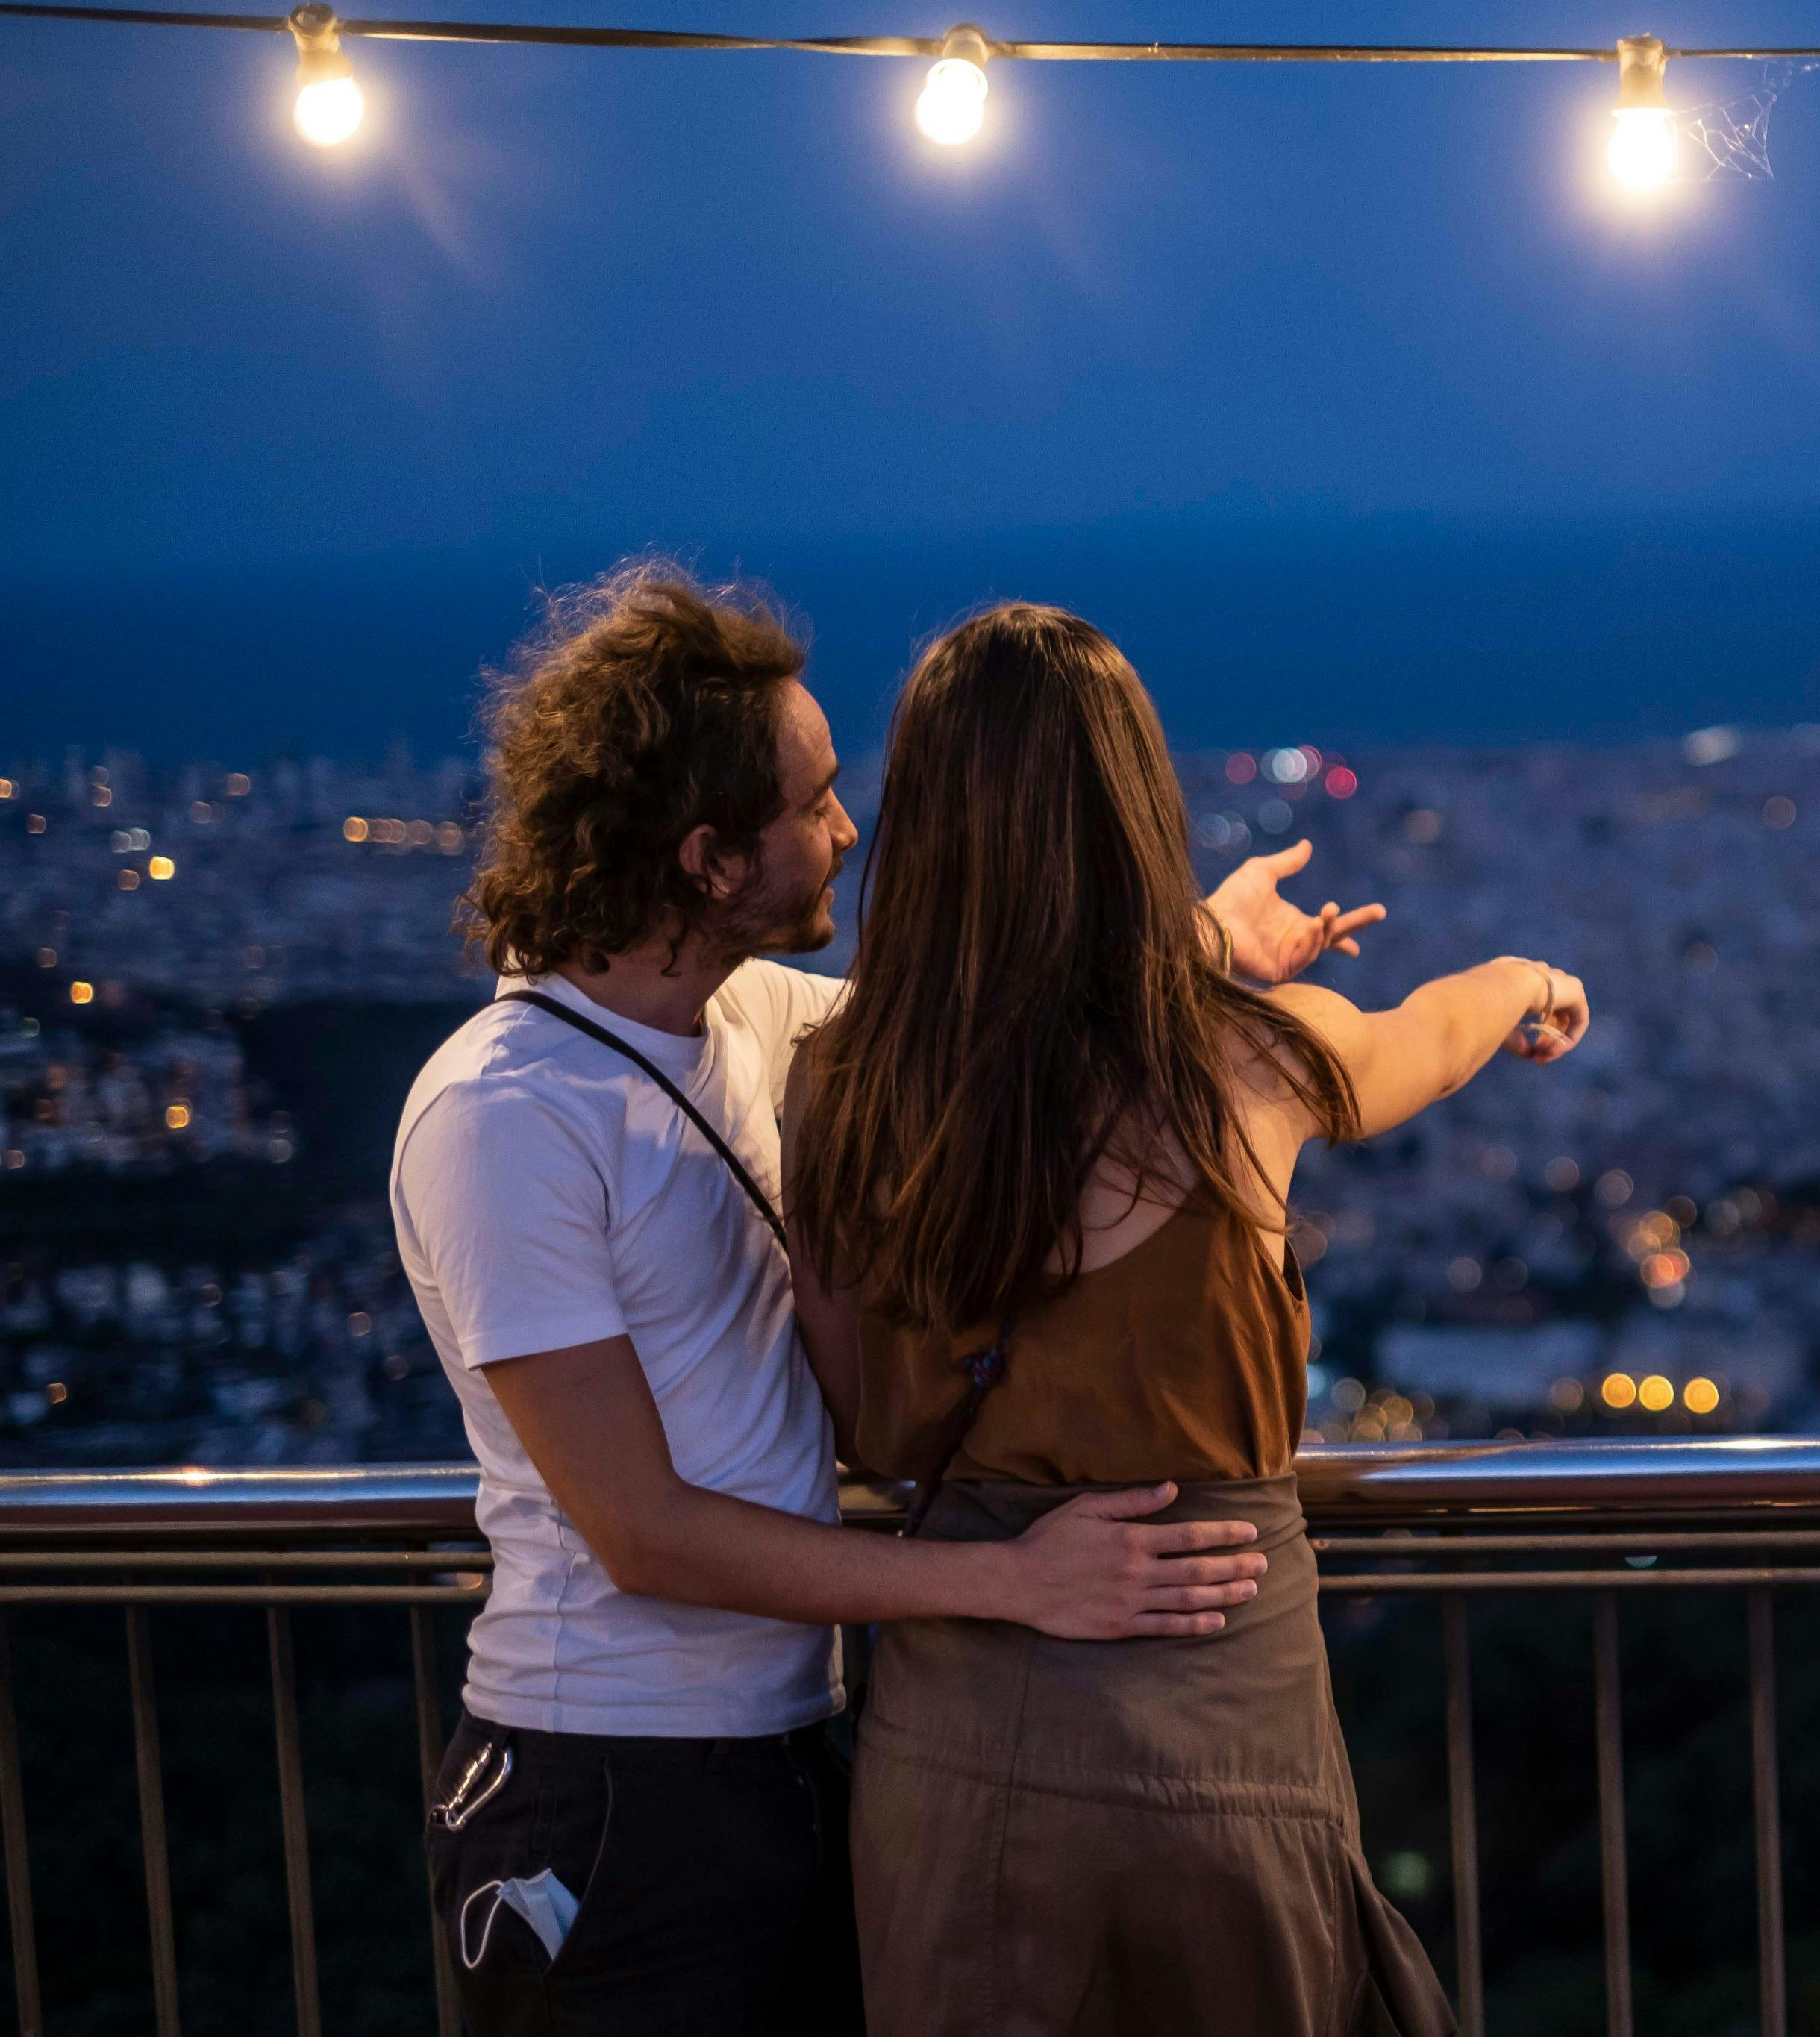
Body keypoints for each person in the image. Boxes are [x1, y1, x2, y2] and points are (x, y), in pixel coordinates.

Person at [390, 562, 1380, 2035]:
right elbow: (639, 1530)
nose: (851, 832)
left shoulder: (744, 1019)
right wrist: (1007, 1581)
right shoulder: (507, 1114)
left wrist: (1210, 944)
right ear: (710, 857)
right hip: (609, 1785)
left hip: (787, 1749)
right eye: (814, 805)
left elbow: (1002, 1024)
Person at [783, 601, 1589, 2037]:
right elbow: (1425, 1031)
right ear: (1140, 813)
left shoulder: (839, 1082)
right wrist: (1526, 981)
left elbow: (861, 1414)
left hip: (957, 1736)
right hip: (1216, 1714)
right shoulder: (1247, 1067)